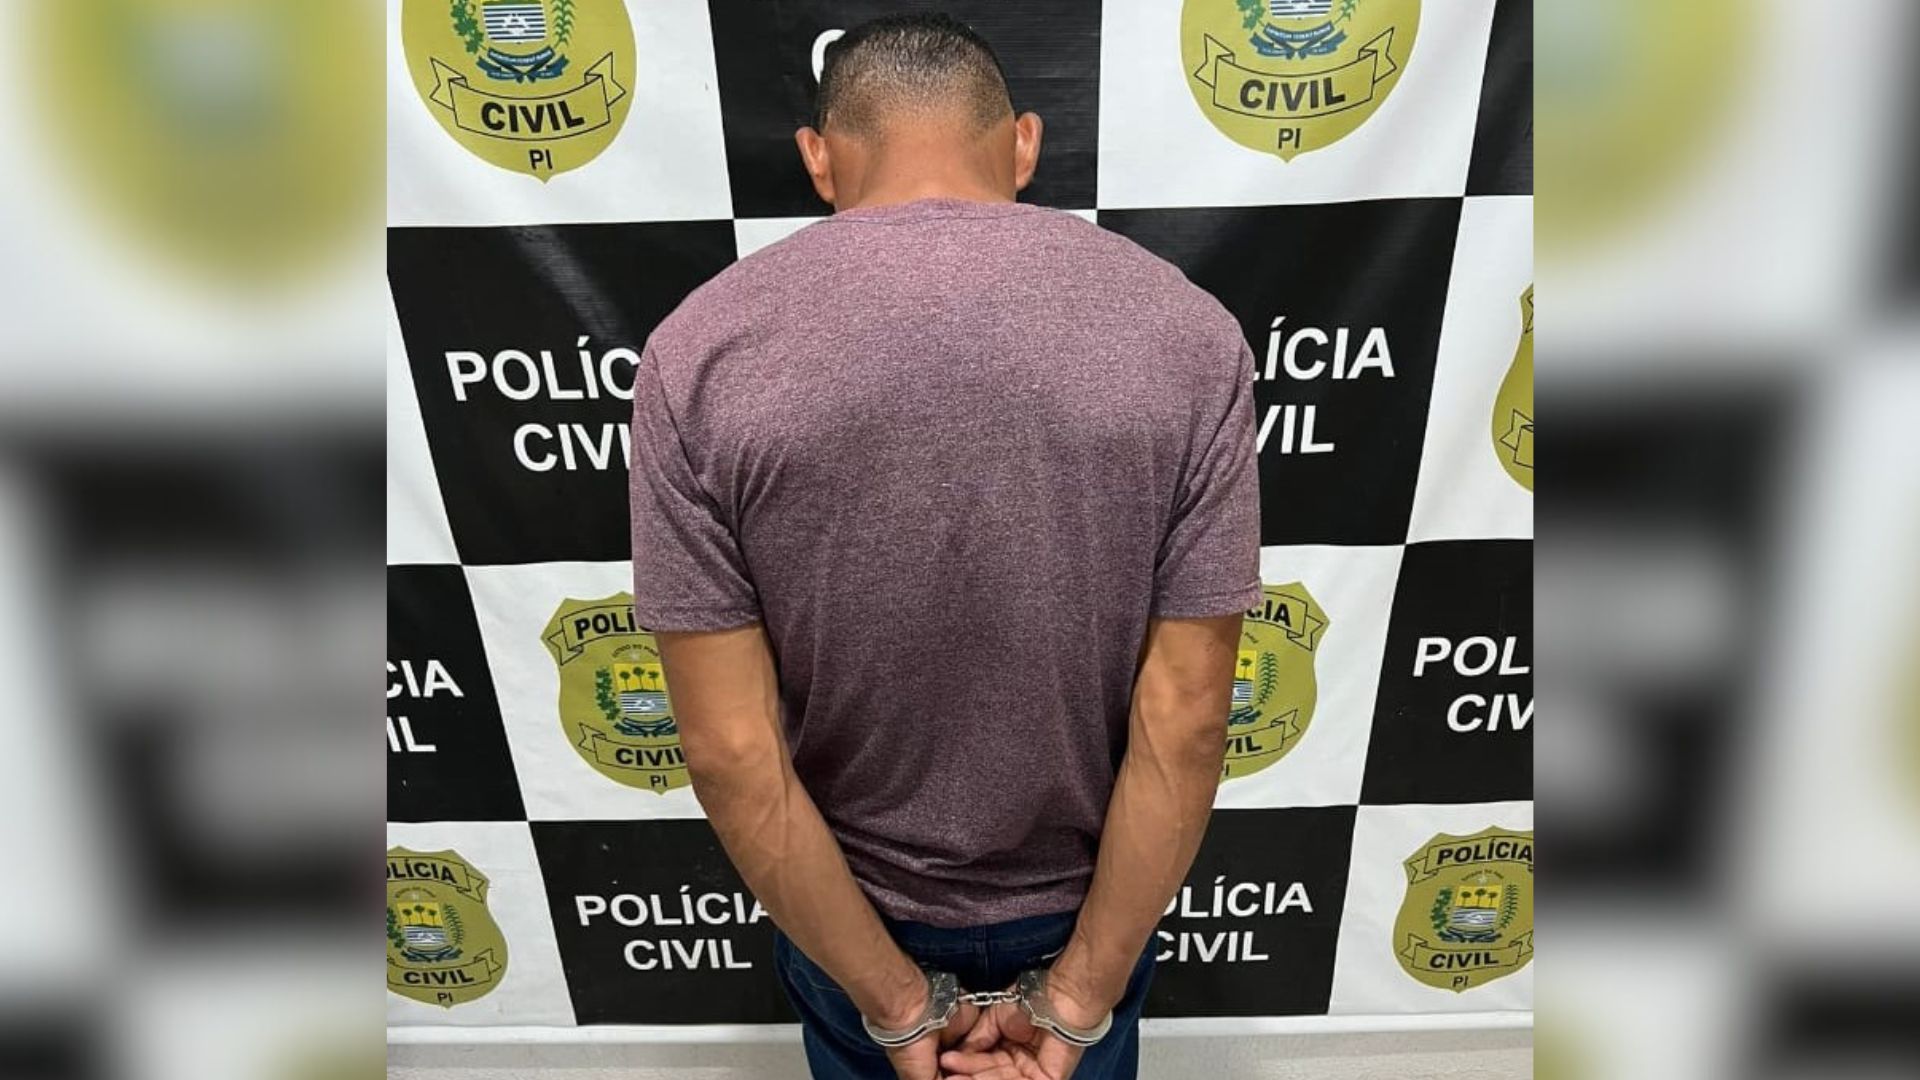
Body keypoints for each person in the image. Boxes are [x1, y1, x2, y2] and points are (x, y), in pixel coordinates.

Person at [627, 13, 1261, 1079]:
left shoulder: (697, 352)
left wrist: (894, 1002)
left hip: (849, 920)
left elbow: (731, 752)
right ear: (1023, 143)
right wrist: (1080, 997)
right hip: (1089, 909)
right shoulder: (1190, 334)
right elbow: (1190, 717)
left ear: (819, 158)